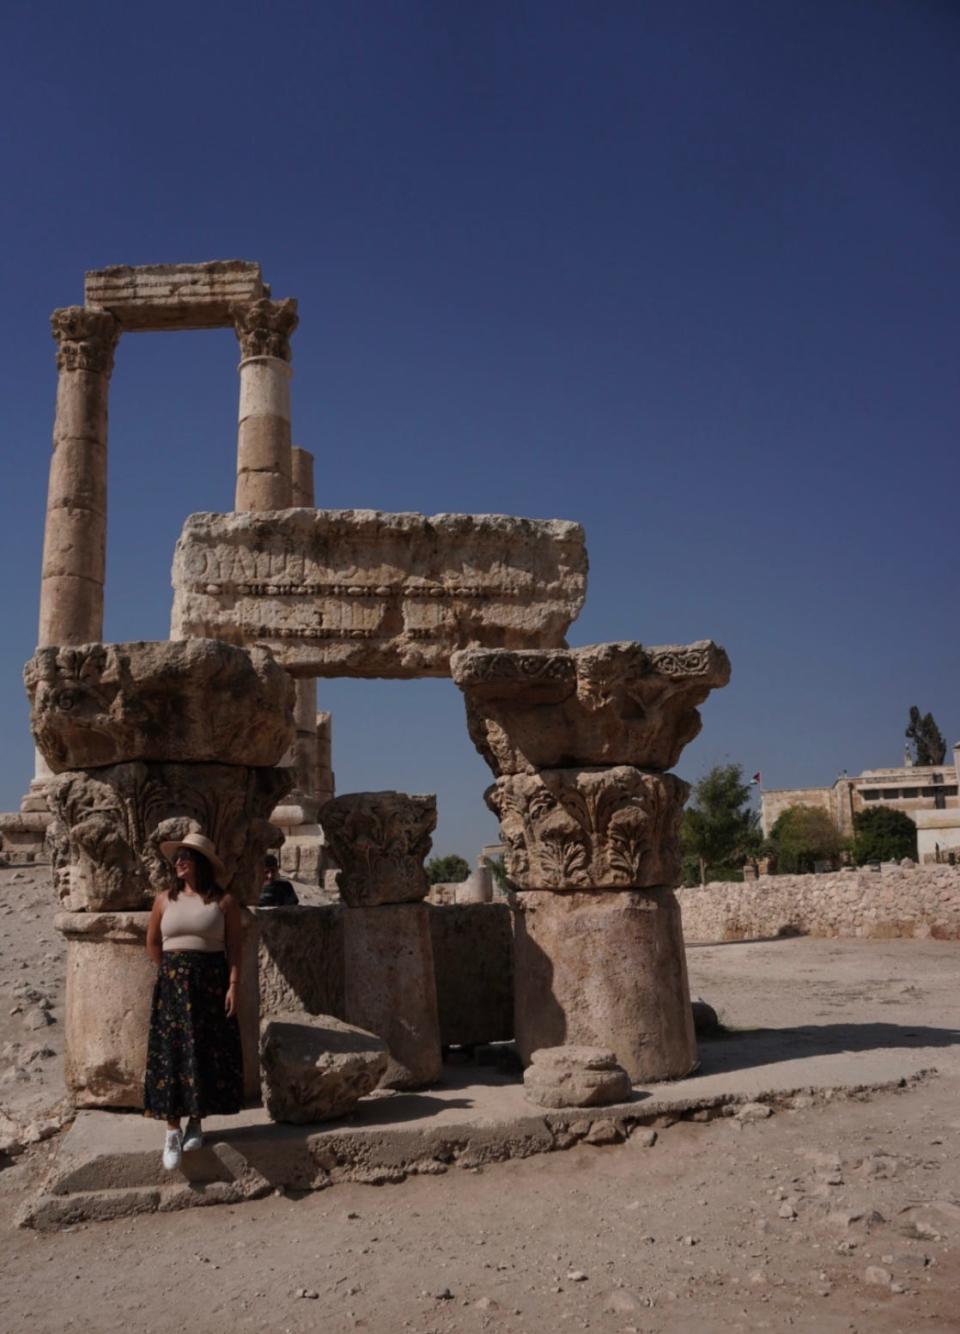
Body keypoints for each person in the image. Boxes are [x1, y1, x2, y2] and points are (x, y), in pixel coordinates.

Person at [144, 831, 245, 1171]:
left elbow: (235, 949)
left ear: (201, 863)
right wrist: (172, 975)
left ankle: (196, 1121)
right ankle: (172, 1129)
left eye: (186, 857)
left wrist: (233, 985)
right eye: (177, 858)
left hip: (211, 984)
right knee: (171, 1054)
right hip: (174, 987)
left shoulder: (224, 902)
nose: (179, 863)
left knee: (204, 1051)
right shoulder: (163, 900)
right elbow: (153, 943)